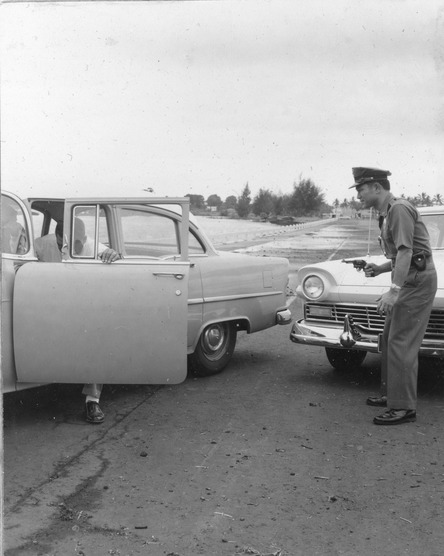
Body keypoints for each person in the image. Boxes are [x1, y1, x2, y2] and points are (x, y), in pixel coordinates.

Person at [349, 167, 437, 425]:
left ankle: (403, 408)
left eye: (361, 189)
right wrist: (379, 269)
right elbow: (401, 256)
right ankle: (391, 394)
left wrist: (393, 291)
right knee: (389, 338)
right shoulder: (387, 212)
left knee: (401, 343)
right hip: (410, 278)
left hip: (416, 282)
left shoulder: (398, 209)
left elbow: (408, 253)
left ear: (377, 187)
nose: (358, 196)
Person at [35, 218, 121, 424]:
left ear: (83, 238)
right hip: (52, 304)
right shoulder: (41, 244)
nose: (64, 248)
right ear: (55, 238)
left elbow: (116, 259)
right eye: (60, 243)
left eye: (73, 243)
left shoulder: (93, 246)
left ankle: (92, 400)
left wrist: (114, 255)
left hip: (83, 306)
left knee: (97, 341)